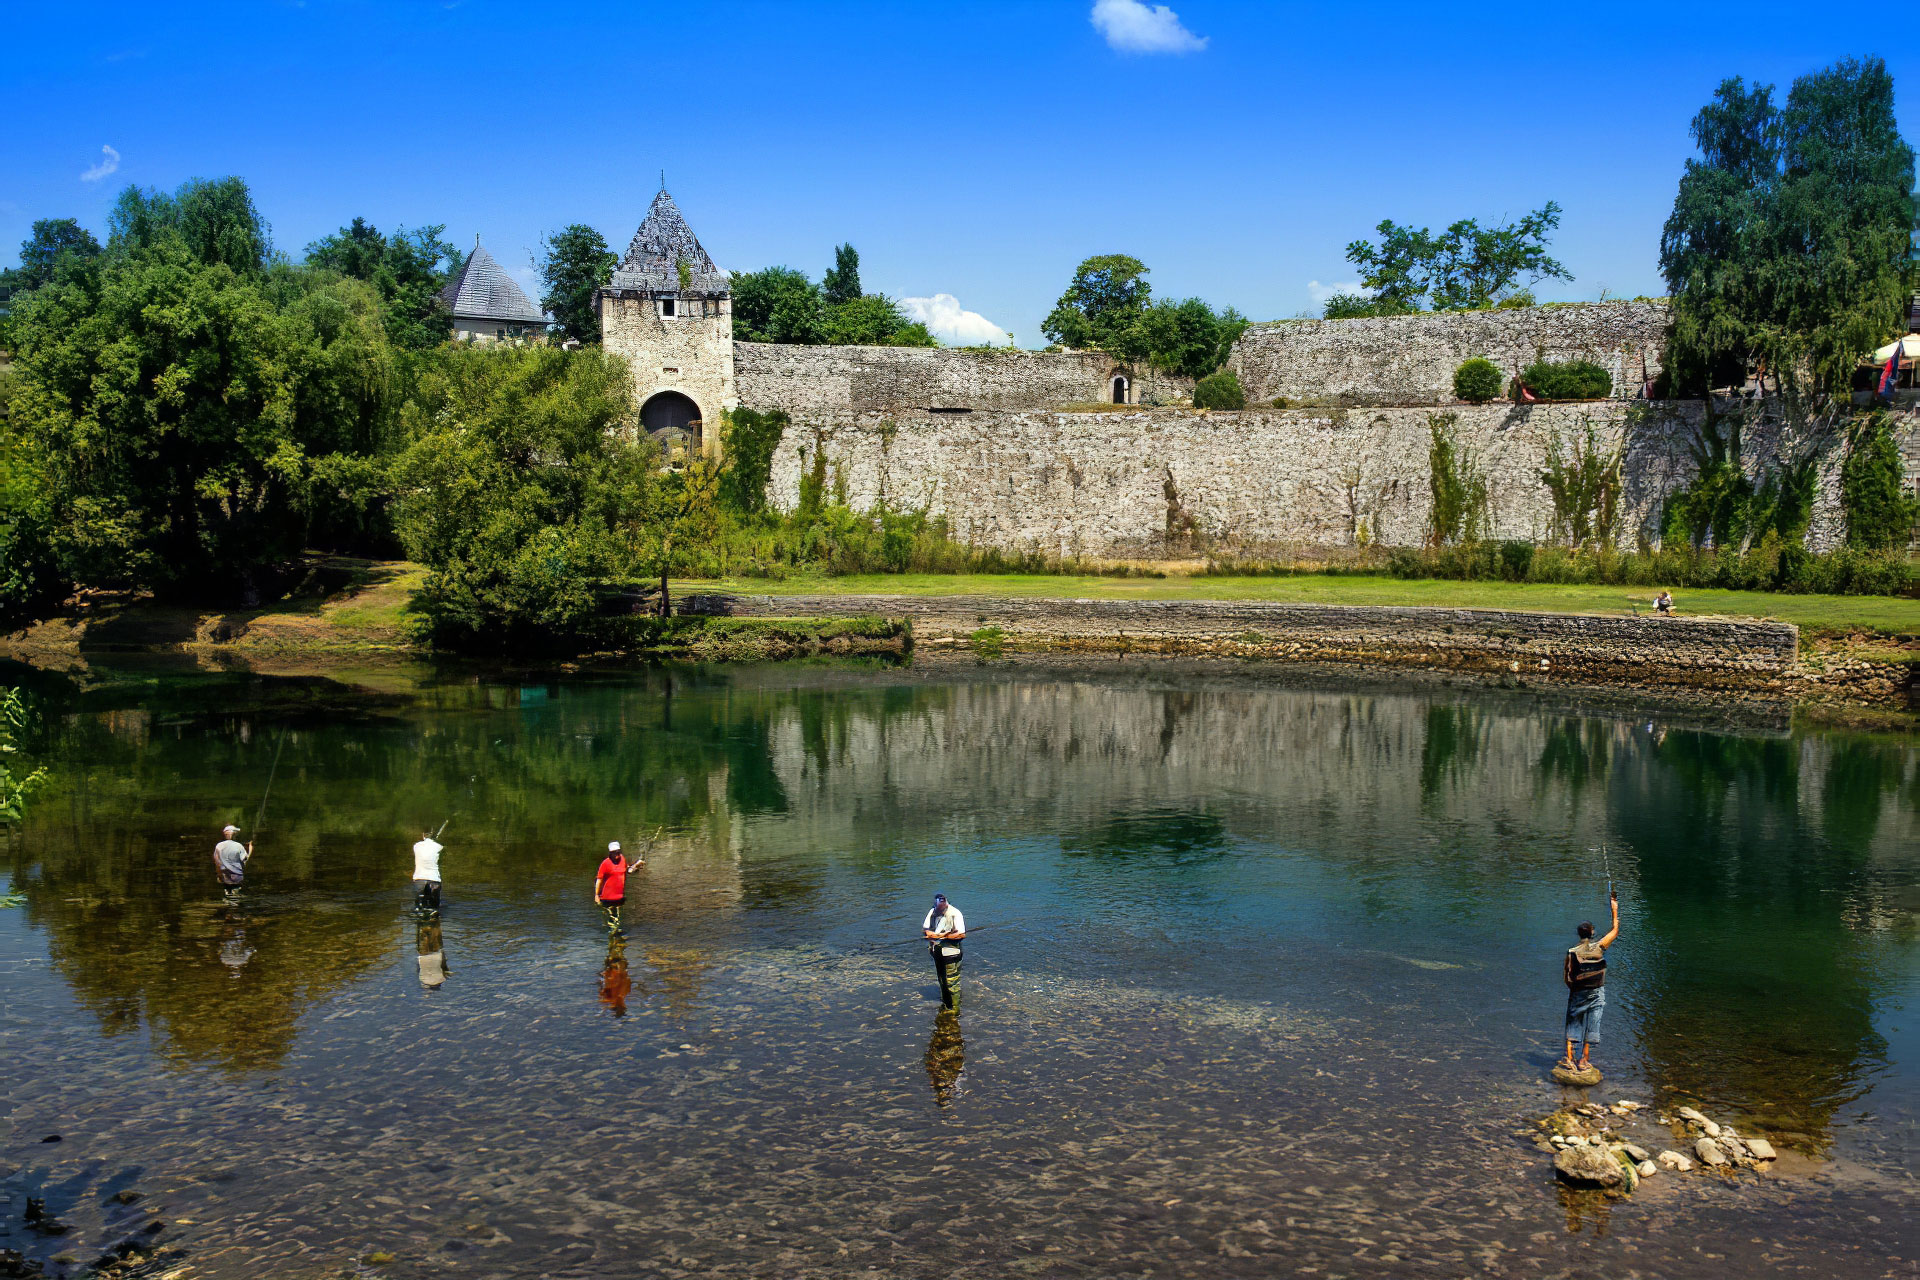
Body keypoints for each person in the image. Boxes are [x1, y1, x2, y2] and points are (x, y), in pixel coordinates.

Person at [1561, 889, 1620, 1074]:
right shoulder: (1600, 946)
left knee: (1573, 1021)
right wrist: (1615, 909)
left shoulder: (1572, 951)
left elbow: (1567, 975)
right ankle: (1584, 1060)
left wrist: (1573, 988)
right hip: (1596, 991)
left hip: (1578, 991)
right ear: (1592, 933)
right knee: (1593, 1023)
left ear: (1580, 935)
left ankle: (1569, 1059)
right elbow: (1615, 930)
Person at [922, 893, 966, 1010]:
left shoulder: (955, 914)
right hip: (936, 952)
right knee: (942, 980)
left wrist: (943, 936)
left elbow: (961, 934)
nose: (939, 909)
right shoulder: (932, 912)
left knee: (952, 982)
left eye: (942, 907)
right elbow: (925, 929)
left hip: (951, 953)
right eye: (937, 907)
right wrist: (929, 934)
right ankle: (946, 1004)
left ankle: (955, 1009)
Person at [594, 841, 642, 932]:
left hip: (619, 898)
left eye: (618, 851)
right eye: (614, 852)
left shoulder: (622, 859)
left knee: (618, 920)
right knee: (613, 921)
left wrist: (636, 867)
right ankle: (614, 939)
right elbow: (599, 880)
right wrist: (596, 895)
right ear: (610, 853)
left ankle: (616, 939)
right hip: (607, 898)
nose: (617, 854)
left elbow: (628, 871)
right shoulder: (605, 864)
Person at [412, 830, 445, 915]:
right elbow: (440, 859)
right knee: (435, 909)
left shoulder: (416, 846)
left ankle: (420, 922)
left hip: (419, 879)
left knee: (419, 909)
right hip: (434, 879)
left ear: (423, 835)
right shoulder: (439, 846)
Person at [213, 825, 252, 895]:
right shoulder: (239, 846)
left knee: (227, 895)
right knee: (236, 897)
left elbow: (217, 863)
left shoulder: (219, 846)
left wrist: (219, 875)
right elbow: (245, 860)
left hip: (224, 876)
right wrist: (250, 849)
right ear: (233, 834)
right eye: (236, 833)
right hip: (237, 877)